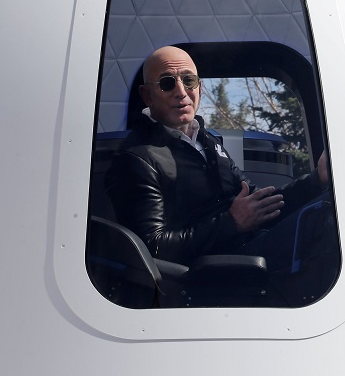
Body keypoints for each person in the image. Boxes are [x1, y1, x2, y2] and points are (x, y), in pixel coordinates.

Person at [105, 45, 330, 269]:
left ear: (200, 88)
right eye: (167, 83)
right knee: (323, 221)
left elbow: (260, 205)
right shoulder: (136, 158)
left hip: (250, 254)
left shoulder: (208, 142)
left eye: (189, 81)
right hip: (216, 273)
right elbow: (150, 247)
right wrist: (231, 223)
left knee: (330, 206)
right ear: (147, 96)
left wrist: (316, 180)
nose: (181, 92)